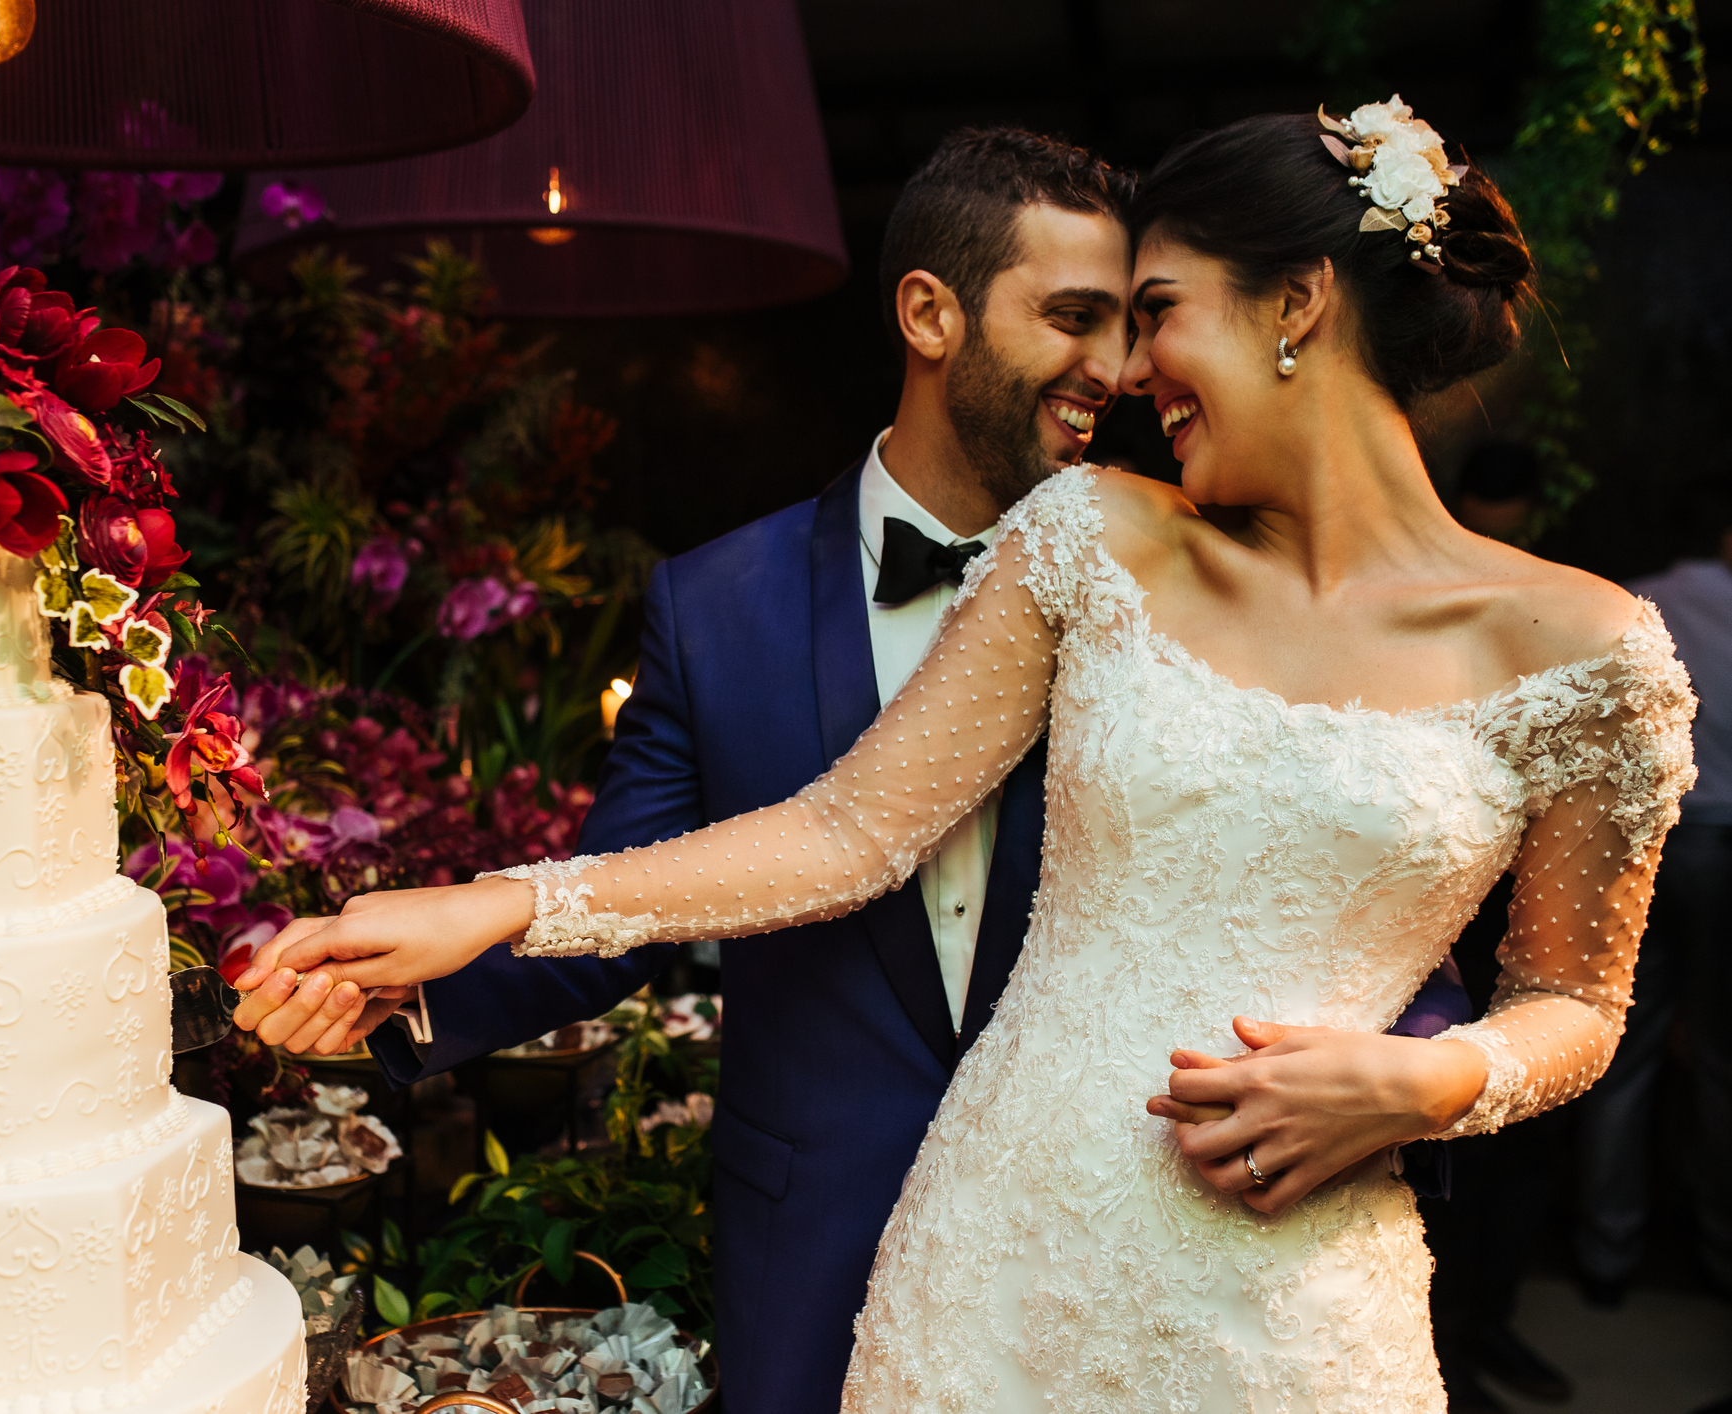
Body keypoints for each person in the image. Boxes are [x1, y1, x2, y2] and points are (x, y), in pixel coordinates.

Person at [240, 99, 1697, 1409]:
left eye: (1159, 312)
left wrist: (1428, 1083)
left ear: (1299, 303)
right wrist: (491, 903)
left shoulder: (1590, 655)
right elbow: (844, 832)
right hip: (994, 1270)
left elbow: (1573, 994)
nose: (1131, 371)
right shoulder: (1096, 536)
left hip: (1290, 1305)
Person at [1572, 487, 1732, 1305]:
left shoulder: (1641, 605)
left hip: (1653, 839)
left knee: (1619, 1051)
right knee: (1717, 1063)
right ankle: (1716, 1255)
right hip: (1722, 842)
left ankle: (1607, 1252)